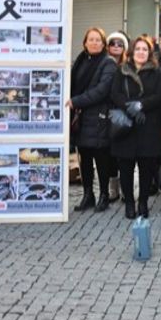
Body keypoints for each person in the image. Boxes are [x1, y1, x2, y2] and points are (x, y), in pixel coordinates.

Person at [110, 35, 161, 219]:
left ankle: (143, 202)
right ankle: (129, 203)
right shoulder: (122, 71)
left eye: (145, 49)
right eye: (138, 49)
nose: (141, 52)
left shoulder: (156, 72)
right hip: (127, 125)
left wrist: (142, 105)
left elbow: (160, 95)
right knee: (125, 167)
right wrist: (130, 107)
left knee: (146, 168)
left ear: (149, 53)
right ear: (132, 52)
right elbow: (115, 93)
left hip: (148, 126)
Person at [67, 27, 118, 212]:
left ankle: (104, 195)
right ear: (85, 42)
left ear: (103, 44)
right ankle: (88, 194)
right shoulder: (80, 61)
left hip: (99, 118)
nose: (94, 43)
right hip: (80, 118)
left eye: (98, 40)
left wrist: (76, 101)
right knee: (84, 159)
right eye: (91, 39)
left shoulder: (108, 63)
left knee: (102, 159)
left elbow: (101, 91)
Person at [104, 31, 129, 203]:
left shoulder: (128, 65)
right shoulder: (103, 63)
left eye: (120, 44)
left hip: (123, 113)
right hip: (105, 112)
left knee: (124, 154)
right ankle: (113, 187)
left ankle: (125, 188)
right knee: (109, 153)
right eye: (113, 43)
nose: (116, 47)